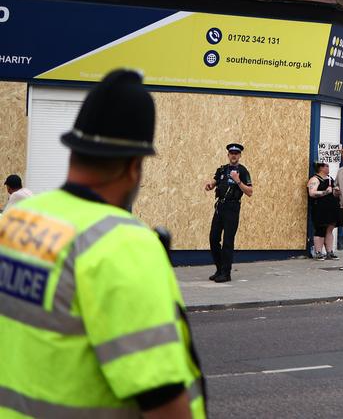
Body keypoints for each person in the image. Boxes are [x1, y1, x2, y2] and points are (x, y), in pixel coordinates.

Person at [0, 69, 206, 418]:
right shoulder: (123, 245)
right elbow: (163, 398)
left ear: (73, 152)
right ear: (133, 166)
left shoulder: (17, 220)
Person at [204, 143, 252, 283]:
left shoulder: (243, 171)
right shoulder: (222, 170)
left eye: (236, 153)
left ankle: (226, 273)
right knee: (213, 239)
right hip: (220, 208)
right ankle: (219, 269)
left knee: (227, 242)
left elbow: (249, 192)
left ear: (240, 156)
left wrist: (238, 181)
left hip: (232, 208)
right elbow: (214, 182)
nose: (234, 155)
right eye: (231, 153)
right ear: (228, 155)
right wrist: (210, 185)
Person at [307, 161, 339, 260]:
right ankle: (318, 252)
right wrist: (326, 192)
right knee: (320, 230)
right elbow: (312, 193)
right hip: (320, 209)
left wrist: (336, 191)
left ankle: (329, 252)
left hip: (331, 209)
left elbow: (333, 193)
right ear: (321, 168)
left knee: (330, 230)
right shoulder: (314, 179)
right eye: (326, 166)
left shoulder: (330, 179)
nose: (328, 168)